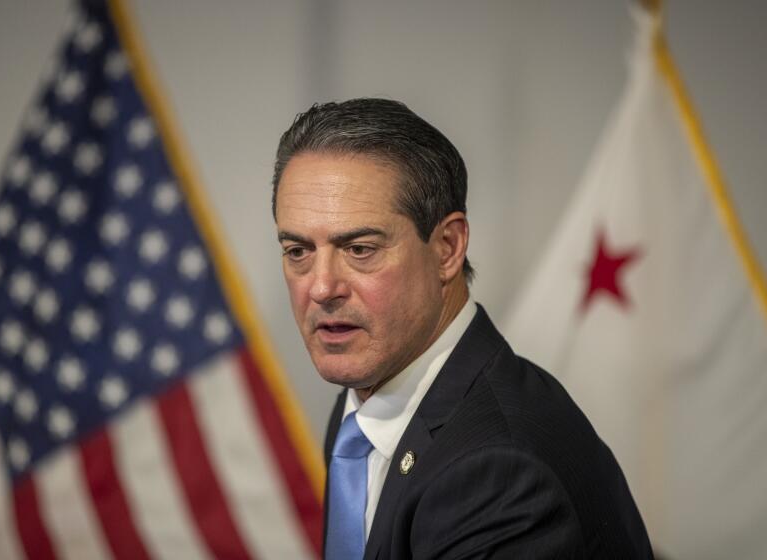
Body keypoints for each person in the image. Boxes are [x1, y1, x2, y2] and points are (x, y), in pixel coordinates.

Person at [271, 98, 653, 559]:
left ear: (448, 248)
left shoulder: (498, 473)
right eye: (298, 252)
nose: (321, 286)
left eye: (360, 249)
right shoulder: (365, 399)